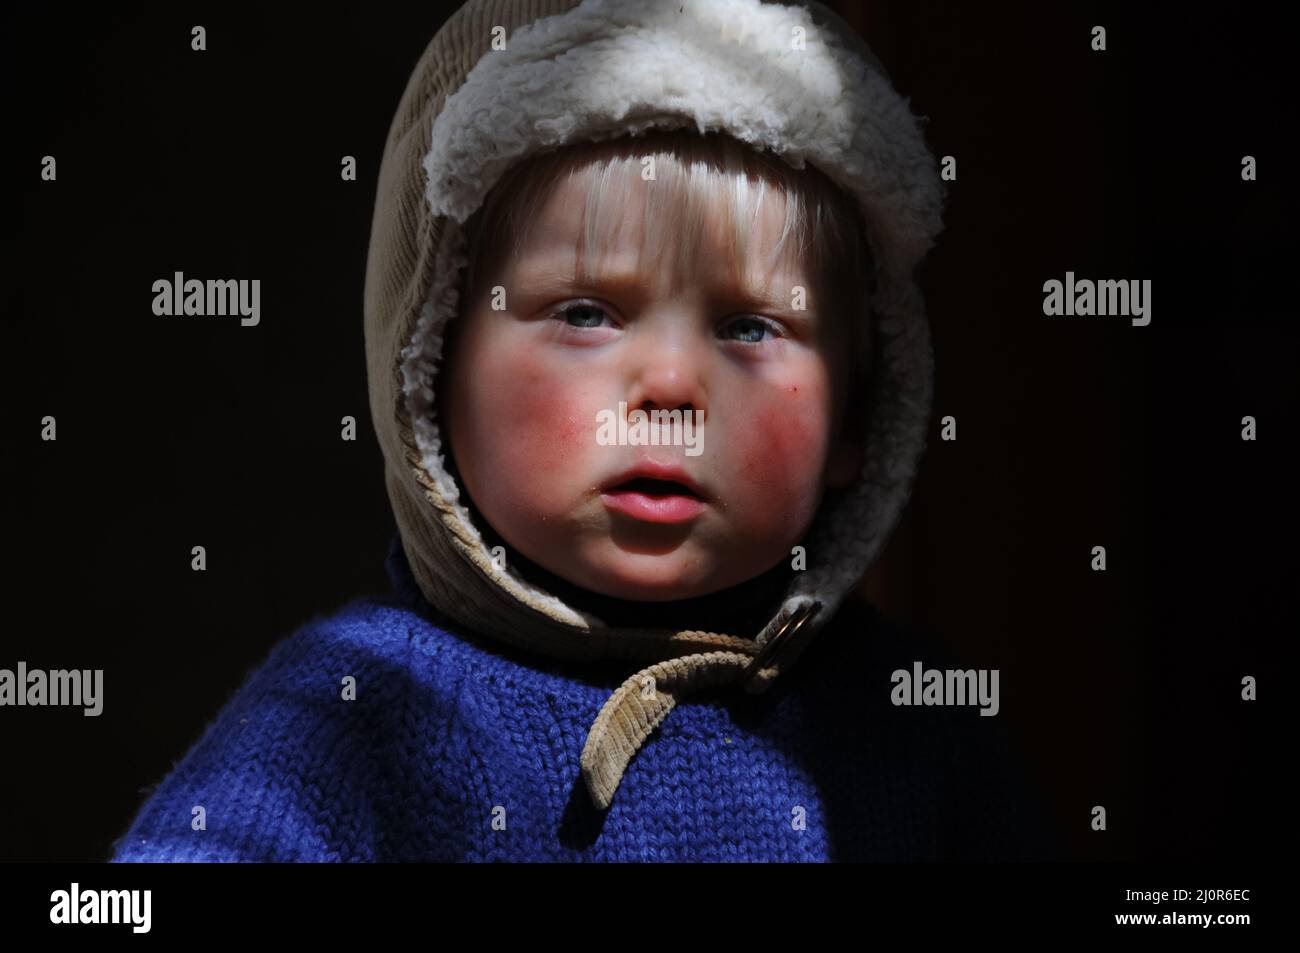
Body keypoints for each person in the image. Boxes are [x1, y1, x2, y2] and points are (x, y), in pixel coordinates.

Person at [109, 0, 1060, 862]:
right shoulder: (352, 708)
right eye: (587, 312)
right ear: (431, 367)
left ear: (855, 415)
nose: (673, 387)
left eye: (750, 327)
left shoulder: (918, 724)